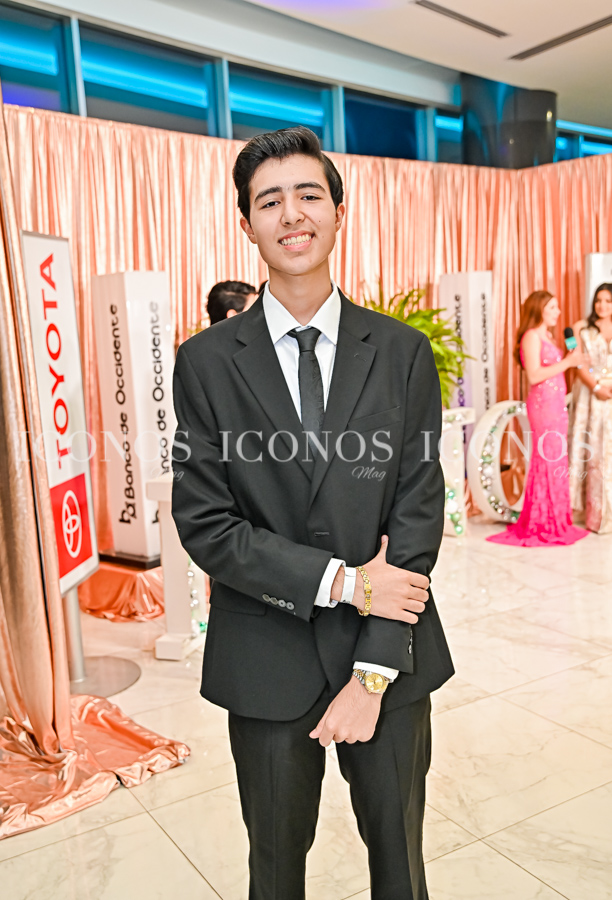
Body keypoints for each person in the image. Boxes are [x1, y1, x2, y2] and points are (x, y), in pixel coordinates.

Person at [171, 126, 453, 900]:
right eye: (269, 201)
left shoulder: (401, 352)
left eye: (308, 195)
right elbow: (207, 522)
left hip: (389, 658)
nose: (291, 214)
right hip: (264, 658)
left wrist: (373, 670)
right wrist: (345, 582)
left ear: (338, 211)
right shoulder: (205, 362)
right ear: (246, 224)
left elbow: (418, 509)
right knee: (274, 872)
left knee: (400, 864)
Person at [488, 290, 589, 547]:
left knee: (556, 457)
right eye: (552, 307)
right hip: (543, 405)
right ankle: (542, 521)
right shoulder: (531, 336)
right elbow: (533, 375)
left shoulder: (549, 336)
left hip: (556, 405)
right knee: (546, 457)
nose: (558, 312)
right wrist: (568, 362)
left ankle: (556, 518)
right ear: (539, 309)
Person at [569, 282, 612, 533]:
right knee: (594, 452)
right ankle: (596, 515)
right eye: (598, 300)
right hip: (591, 396)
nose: (602, 305)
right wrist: (596, 387)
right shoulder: (581, 328)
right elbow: (578, 363)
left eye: (608, 301)